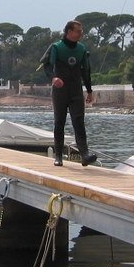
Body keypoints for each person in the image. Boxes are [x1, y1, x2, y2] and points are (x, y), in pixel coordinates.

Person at [40, 19, 97, 167]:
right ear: (69, 32)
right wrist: (53, 78)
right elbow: (46, 66)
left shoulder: (82, 49)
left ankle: (84, 154)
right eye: (78, 31)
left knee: (79, 121)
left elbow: (86, 71)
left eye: (81, 31)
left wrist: (89, 91)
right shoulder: (56, 47)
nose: (81, 34)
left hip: (76, 90)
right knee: (59, 122)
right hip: (60, 90)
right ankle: (58, 156)